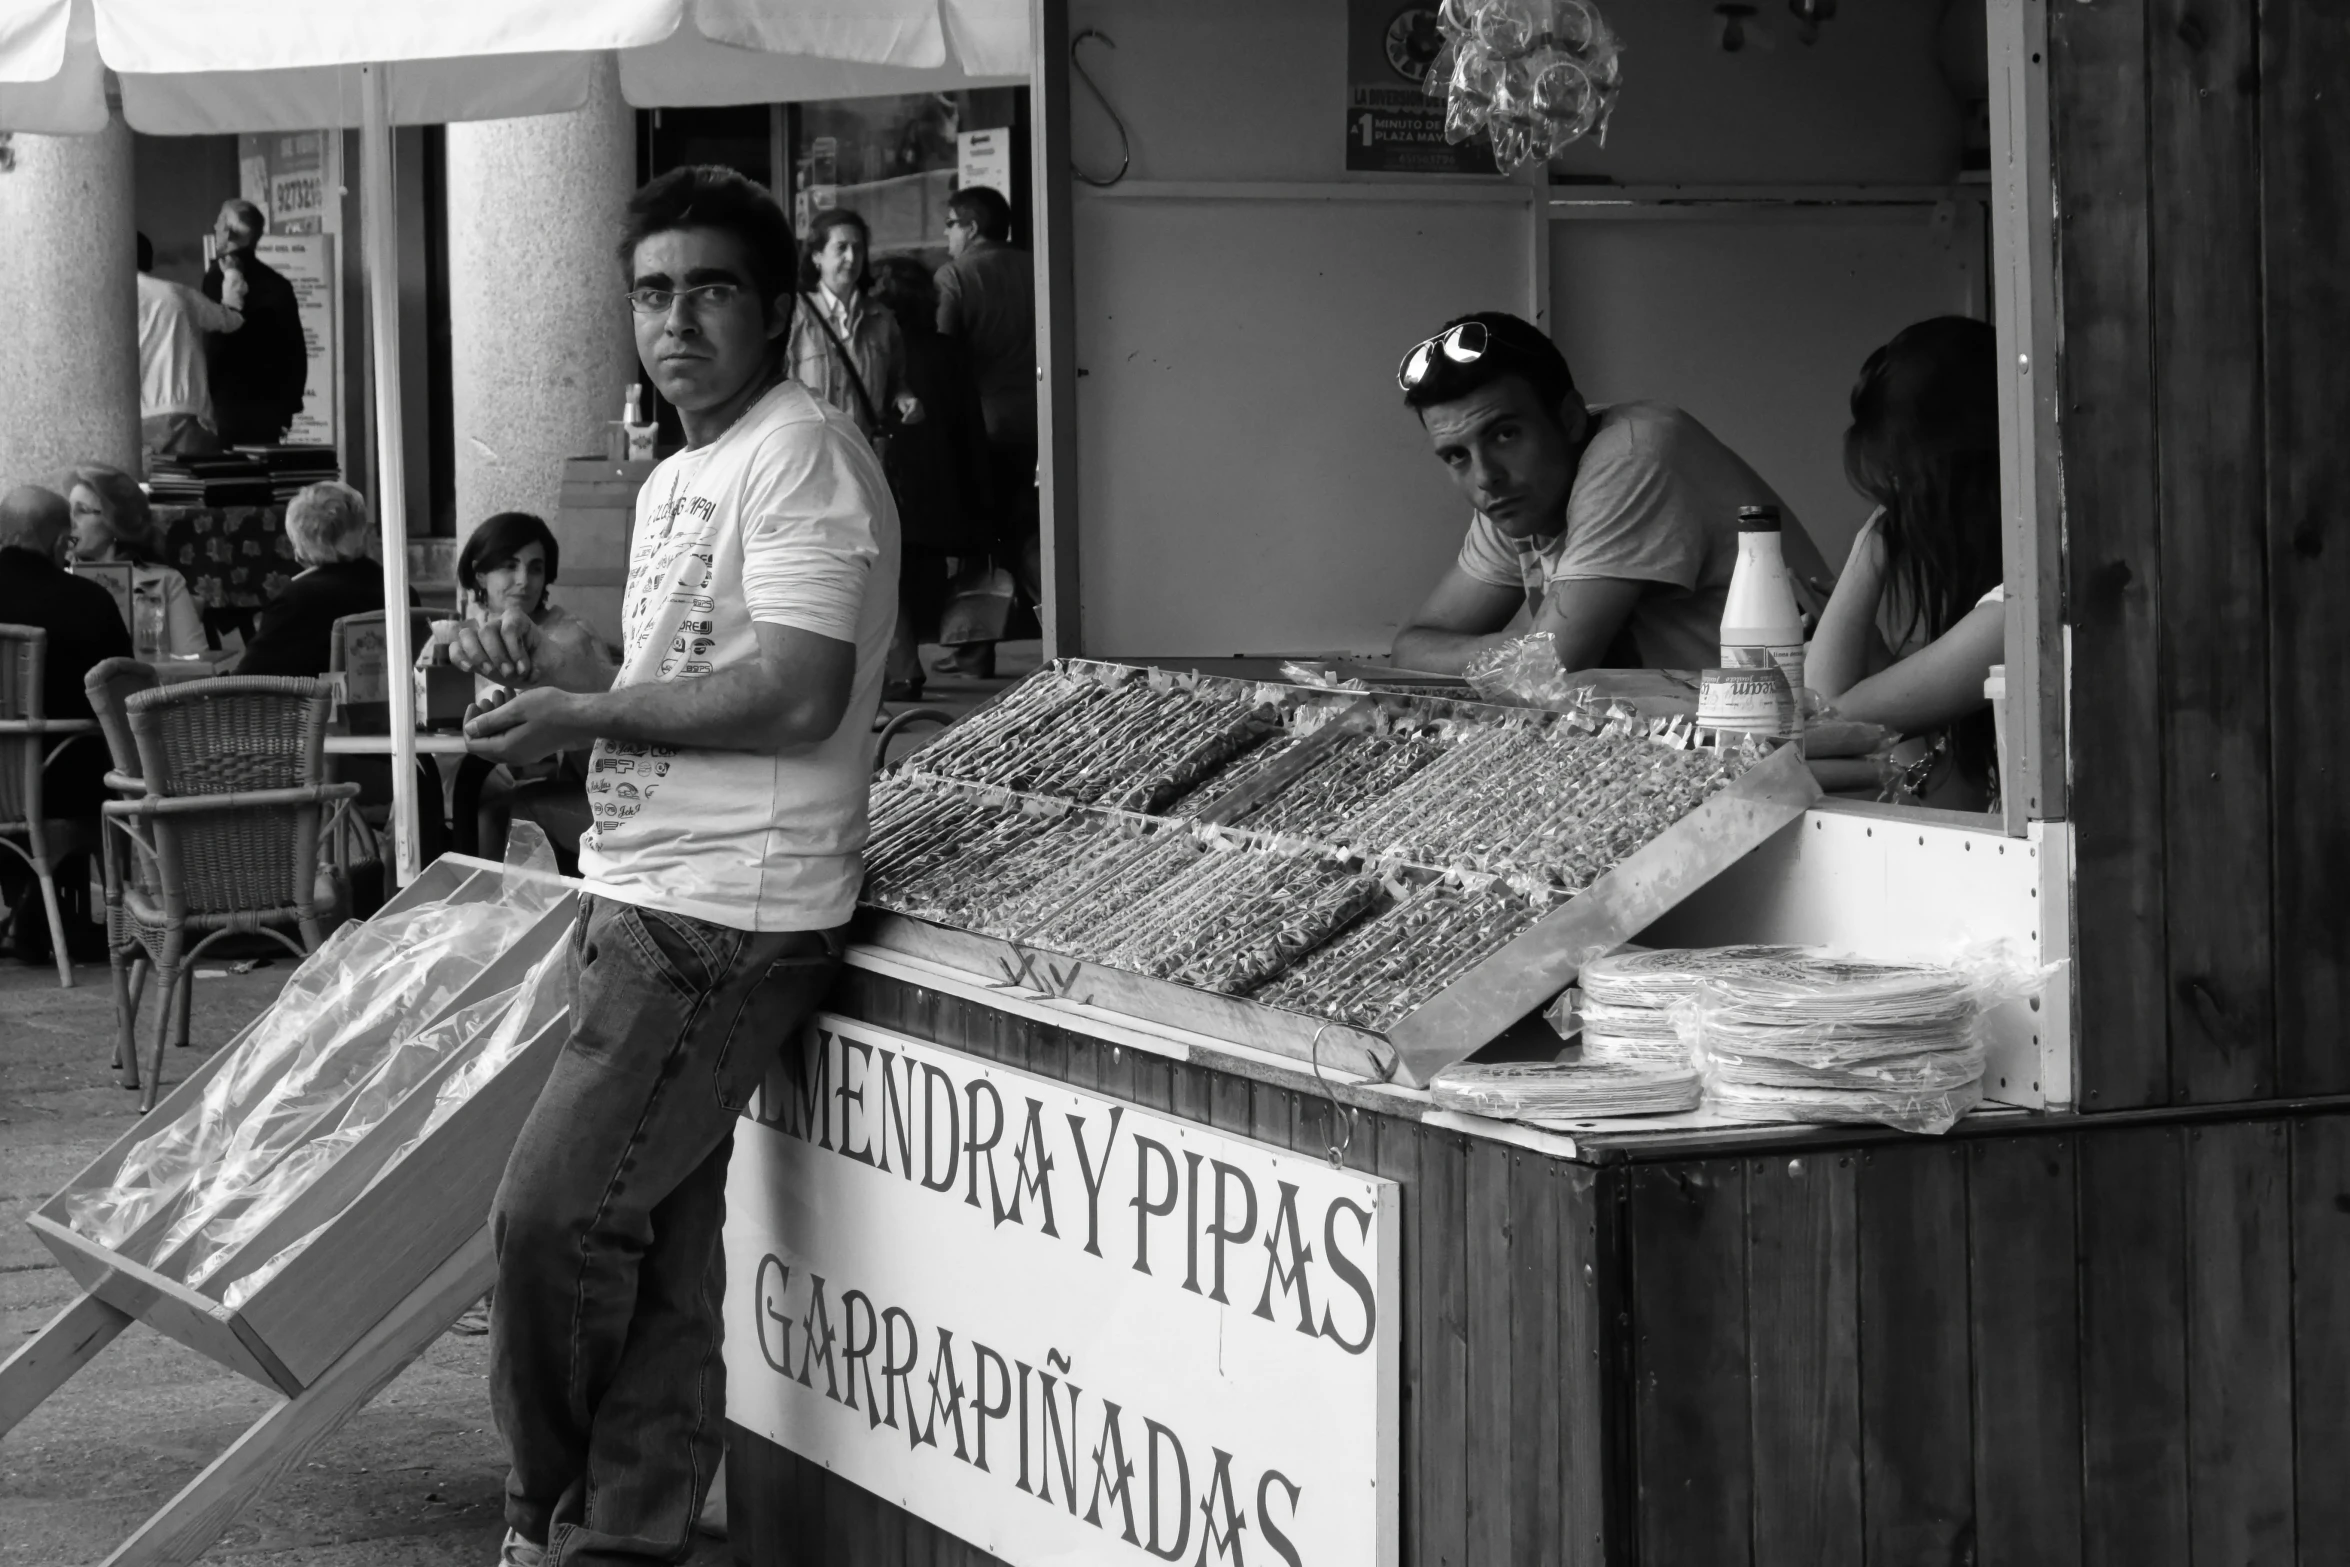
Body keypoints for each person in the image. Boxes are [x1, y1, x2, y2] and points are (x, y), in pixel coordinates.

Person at [452, 164, 898, 1567]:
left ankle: (546, 1511)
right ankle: (626, 1534)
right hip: (643, 888)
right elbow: (682, 674)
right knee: (649, 1258)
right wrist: (569, 682)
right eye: (651, 292)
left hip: (729, 907)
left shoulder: (801, 450)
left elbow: (794, 693)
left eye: (709, 288)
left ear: (775, 309)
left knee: (548, 1221)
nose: (676, 318)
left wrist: (588, 708)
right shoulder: (678, 472)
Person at [1390, 311, 1835, 675]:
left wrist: (1535, 649)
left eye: (1505, 434)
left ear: (1568, 419)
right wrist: (1524, 648)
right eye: (1455, 456)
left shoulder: (1633, 454)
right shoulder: (1513, 492)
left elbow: (1552, 665)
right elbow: (1412, 649)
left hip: (1809, 745)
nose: (1485, 476)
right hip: (1702, 749)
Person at [1805, 316, 2004, 810]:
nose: (1903, 509)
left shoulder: (2012, 615)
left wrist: (1871, 548)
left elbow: (1822, 722)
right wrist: (1870, 650)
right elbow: (1943, 781)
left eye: (1903, 483)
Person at [428, 512, 615, 864]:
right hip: (467, 771)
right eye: (508, 566)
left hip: (578, 783)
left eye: (535, 568)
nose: (523, 580)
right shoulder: (455, 636)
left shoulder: (567, 636)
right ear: (480, 573)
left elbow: (585, 733)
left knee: (498, 807)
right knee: (414, 801)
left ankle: (492, 907)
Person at [0, 486, 132, 959]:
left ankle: (26, 908)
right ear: (59, 543)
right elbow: (122, 696)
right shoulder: (88, 600)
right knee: (99, 752)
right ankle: (57, 915)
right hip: (65, 782)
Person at [869, 255, 997, 698]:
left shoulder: (878, 353)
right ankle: (972, 648)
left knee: (885, 577)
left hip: (896, 484)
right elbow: (970, 427)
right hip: (944, 488)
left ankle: (902, 669)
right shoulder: (950, 351)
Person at [932, 184, 1036, 677]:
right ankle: (1043, 623)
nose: (947, 234)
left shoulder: (955, 277)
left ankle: (977, 645)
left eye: (951, 224)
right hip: (1043, 425)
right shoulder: (1040, 267)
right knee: (1030, 530)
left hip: (982, 428)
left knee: (984, 539)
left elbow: (943, 353)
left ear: (971, 227)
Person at [784, 207, 922, 445]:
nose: (851, 257)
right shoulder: (794, 316)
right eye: (841, 248)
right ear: (817, 256)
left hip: (864, 456)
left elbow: (896, 381)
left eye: (858, 248)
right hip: (809, 456)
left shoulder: (881, 319)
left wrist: (904, 398)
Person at [237, 480, 403, 677]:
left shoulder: (296, 600)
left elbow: (246, 681)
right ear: (363, 528)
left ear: (298, 546)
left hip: (313, 708)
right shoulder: (400, 592)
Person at [66, 462, 207, 657]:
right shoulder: (58, 580)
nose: (69, 521)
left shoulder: (163, 581)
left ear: (116, 521)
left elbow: (194, 663)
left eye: (82, 510)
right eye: (67, 510)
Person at [201, 199, 308, 447]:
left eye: (219, 222)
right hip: (268, 406)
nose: (215, 227)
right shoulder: (278, 284)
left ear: (229, 232)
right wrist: (288, 408)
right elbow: (294, 351)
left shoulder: (217, 277)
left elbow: (213, 341)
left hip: (226, 404)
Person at [135, 231, 243, 462]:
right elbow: (231, 320)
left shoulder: (110, 299)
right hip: (188, 414)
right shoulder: (178, 294)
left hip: (137, 421)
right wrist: (232, 274)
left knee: (142, 494)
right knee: (191, 492)